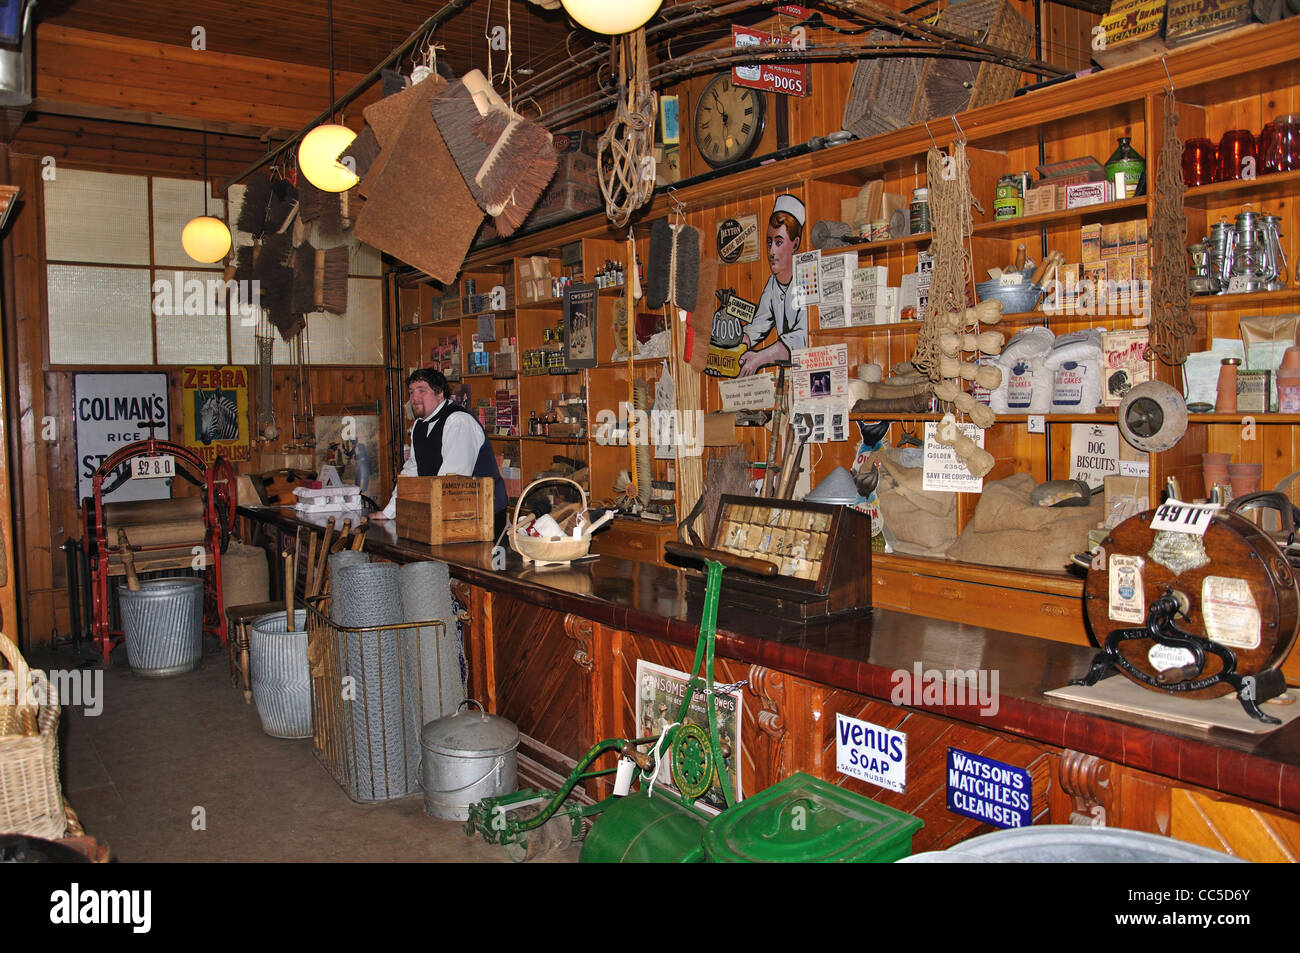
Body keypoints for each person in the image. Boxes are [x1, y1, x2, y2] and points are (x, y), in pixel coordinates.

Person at [371, 368, 508, 540]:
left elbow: (452, 479)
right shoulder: (419, 426)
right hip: (445, 514)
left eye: (422, 391)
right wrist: (389, 512)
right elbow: (411, 471)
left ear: (440, 393)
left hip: (481, 516)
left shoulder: (458, 421)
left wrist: (425, 516)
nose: (414, 398)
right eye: (411, 392)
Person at [739, 193, 807, 377]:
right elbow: (759, 323)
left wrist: (760, 357)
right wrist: (737, 344)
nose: (771, 251)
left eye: (778, 242)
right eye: (769, 242)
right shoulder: (772, 284)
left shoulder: (807, 280)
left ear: (795, 243)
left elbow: (802, 337)